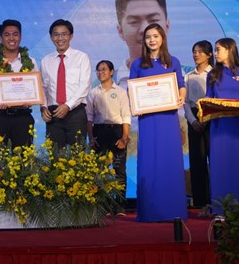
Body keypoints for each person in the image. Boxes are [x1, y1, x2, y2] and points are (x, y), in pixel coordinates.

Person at [129, 23, 187, 222]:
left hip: (168, 119)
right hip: (147, 120)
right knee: (149, 161)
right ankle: (150, 211)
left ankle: (174, 209)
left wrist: (181, 96)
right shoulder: (138, 64)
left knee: (169, 160)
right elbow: (131, 90)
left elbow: (181, 85)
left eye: (155, 36)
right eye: (148, 37)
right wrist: (136, 101)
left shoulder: (173, 61)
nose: (152, 40)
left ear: (163, 38)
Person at [206, 38, 239, 214]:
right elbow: (208, 98)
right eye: (215, 49)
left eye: (218, 49)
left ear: (230, 50)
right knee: (220, 164)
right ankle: (220, 208)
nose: (215, 53)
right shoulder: (212, 75)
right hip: (219, 126)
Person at [0, 19, 38, 150]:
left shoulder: (31, 62)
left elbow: (35, 90)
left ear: (20, 37)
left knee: (24, 157)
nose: (11, 38)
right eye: (7, 35)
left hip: (23, 117)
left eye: (15, 34)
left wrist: (30, 101)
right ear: (1, 38)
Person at [86, 60, 131, 212]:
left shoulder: (120, 92)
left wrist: (124, 137)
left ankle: (120, 205)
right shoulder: (93, 92)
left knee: (119, 169)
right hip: (99, 131)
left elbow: (126, 116)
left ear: (112, 72)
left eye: (104, 69)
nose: (101, 72)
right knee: (99, 170)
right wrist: (91, 137)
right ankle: (101, 205)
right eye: (98, 70)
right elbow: (89, 118)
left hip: (117, 131)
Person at [40, 19, 91, 149]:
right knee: (55, 156)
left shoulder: (81, 57)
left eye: (64, 34)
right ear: (51, 37)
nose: (60, 38)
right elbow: (43, 88)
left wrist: (68, 106)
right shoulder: (46, 60)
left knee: (77, 154)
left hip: (75, 112)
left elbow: (84, 85)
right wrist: (43, 107)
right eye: (56, 34)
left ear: (71, 36)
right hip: (53, 114)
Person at [114, 0, 170, 88]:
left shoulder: (188, 76)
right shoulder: (105, 82)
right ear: (121, 31)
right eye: (134, 22)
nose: (145, 29)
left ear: (167, 26)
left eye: (153, 20)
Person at [183, 40, 213, 217]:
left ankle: (216, 201)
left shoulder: (214, 74)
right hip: (194, 118)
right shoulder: (188, 76)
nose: (196, 54)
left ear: (209, 55)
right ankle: (201, 202)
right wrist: (193, 121)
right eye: (194, 51)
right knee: (197, 161)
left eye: (200, 52)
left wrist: (207, 118)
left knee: (214, 159)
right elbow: (185, 103)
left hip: (212, 116)